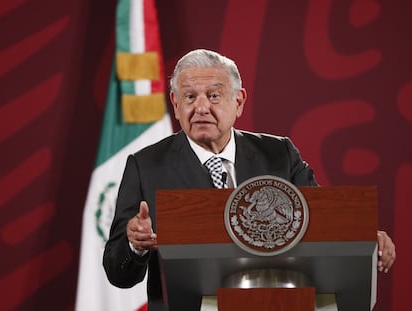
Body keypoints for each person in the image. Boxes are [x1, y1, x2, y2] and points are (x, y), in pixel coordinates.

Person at [103, 49, 396, 310]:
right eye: (190, 97)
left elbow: (321, 223)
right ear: (175, 103)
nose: (202, 107)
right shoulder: (146, 165)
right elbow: (117, 272)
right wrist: (135, 245)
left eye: (214, 95)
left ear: (239, 100)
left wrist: (363, 239)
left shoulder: (279, 153)